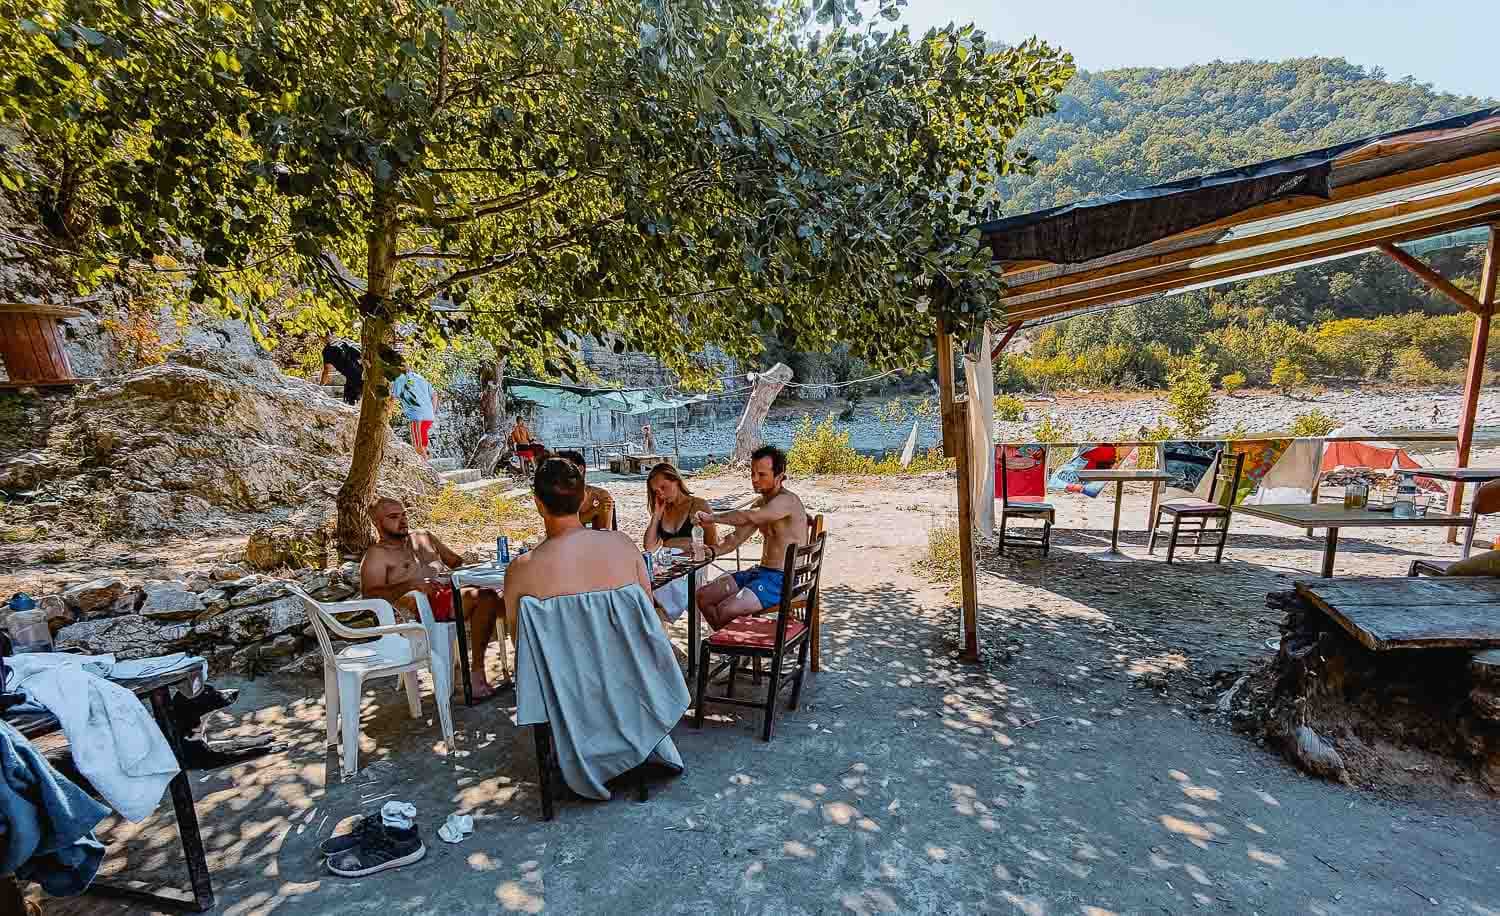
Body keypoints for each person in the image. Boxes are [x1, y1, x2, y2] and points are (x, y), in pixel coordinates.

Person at [359, 497, 502, 699]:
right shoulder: (377, 554)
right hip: (424, 610)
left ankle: (530, 668)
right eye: (393, 517)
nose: (403, 521)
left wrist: (449, 574)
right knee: (486, 597)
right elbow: (370, 594)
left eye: (404, 515)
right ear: (377, 523)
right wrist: (410, 584)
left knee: (513, 596)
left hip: (453, 593)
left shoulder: (423, 536)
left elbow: (456, 562)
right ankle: (476, 674)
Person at [502, 458, 659, 638]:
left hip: (560, 666)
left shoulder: (519, 570)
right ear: (583, 497)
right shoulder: (624, 545)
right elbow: (648, 613)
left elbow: (521, 643)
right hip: (628, 664)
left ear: (538, 504)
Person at [693, 445, 808, 629]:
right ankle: (733, 648)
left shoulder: (787, 501)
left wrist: (712, 518)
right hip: (760, 573)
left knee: (725, 609)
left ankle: (733, 649)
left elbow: (748, 516)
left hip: (781, 580)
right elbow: (735, 539)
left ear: (779, 476)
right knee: (703, 596)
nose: (754, 479)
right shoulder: (761, 503)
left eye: (761, 475)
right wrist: (712, 551)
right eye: (752, 473)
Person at [643, 462, 719, 552]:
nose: (661, 494)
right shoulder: (662, 510)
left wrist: (669, 544)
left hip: (697, 563)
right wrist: (656, 515)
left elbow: (712, 547)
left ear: (676, 480)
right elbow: (649, 547)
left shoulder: (698, 505)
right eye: (656, 492)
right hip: (668, 564)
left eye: (663, 487)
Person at [557, 449, 615, 530]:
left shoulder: (600, 495)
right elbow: (561, 525)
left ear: (580, 469)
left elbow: (603, 532)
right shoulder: (556, 494)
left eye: (562, 468)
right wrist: (594, 511)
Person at [392, 369, 438, 461]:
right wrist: (432, 412)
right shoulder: (420, 377)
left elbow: (391, 396)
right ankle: (427, 468)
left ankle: (426, 471)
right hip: (429, 416)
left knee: (418, 447)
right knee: (423, 445)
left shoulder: (399, 378)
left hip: (417, 417)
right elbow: (435, 395)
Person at [320, 332, 364, 406]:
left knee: (350, 404)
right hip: (361, 373)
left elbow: (326, 371)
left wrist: (320, 386)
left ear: (322, 338)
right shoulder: (343, 343)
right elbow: (358, 355)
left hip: (352, 378)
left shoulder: (326, 351)